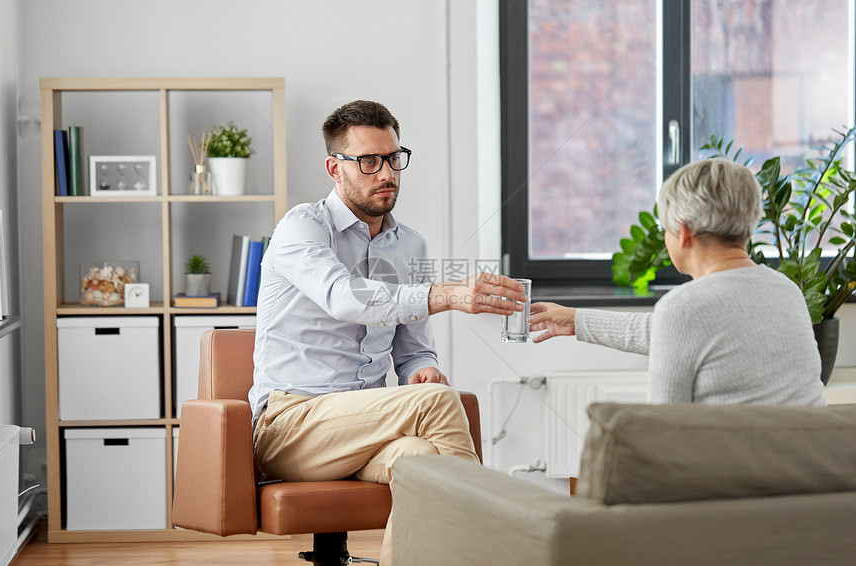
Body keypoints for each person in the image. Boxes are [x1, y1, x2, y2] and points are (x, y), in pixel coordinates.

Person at [249, 100, 527, 564]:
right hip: (291, 425)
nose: (387, 173)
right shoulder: (302, 228)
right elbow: (345, 297)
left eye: (394, 158)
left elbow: (414, 350)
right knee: (440, 404)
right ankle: (498, 547)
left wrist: (424, 371)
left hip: (366, 430)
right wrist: (449, 294)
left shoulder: (409, 245)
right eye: (369, 161)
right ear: (334, 168)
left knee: (424, 462)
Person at [529, 158, 826, 407]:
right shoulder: (786, 291)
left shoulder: (684, 309)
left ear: (683, 233)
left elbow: (667, 435)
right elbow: (684, 333)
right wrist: (576, 320)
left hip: (733, 475)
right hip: (809, 471)